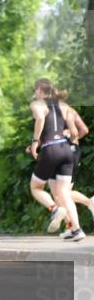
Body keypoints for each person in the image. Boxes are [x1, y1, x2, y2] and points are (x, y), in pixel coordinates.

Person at [26, 79, 84, 241]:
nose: (34, 93)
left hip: (50, 151)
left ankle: (54, 209)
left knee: (36, 187)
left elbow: (40, 119)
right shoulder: (63, 106)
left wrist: (35, 142)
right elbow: (73, 132)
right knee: (63, 192)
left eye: (34, 90)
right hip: (66, 151)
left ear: (39, 89)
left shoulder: (37, 104)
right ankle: (76, 229)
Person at [52, 96, 92, 237]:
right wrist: (74, 140)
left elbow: (77, 132)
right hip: (74, 152)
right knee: (63, 193)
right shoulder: (72, 111)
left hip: (64, 153)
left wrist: (68, 138)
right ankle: (72, 226)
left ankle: (75, 228)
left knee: (60, 194)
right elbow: (85, 130)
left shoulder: (57, 113)